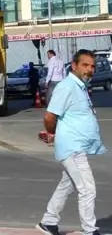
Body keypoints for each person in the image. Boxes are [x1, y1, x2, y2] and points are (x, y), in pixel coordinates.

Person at [36, 49, 106, 235]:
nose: (89, 69)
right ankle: (90, 230)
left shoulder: (80, 86)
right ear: (74, 66)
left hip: (76, 146)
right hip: (72, 148)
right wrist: (52, 133)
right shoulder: (67, 86)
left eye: (92, 66)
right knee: (87, 188)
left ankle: (48, 222)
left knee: (68, 184)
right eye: (85, 65)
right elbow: (50, 116)